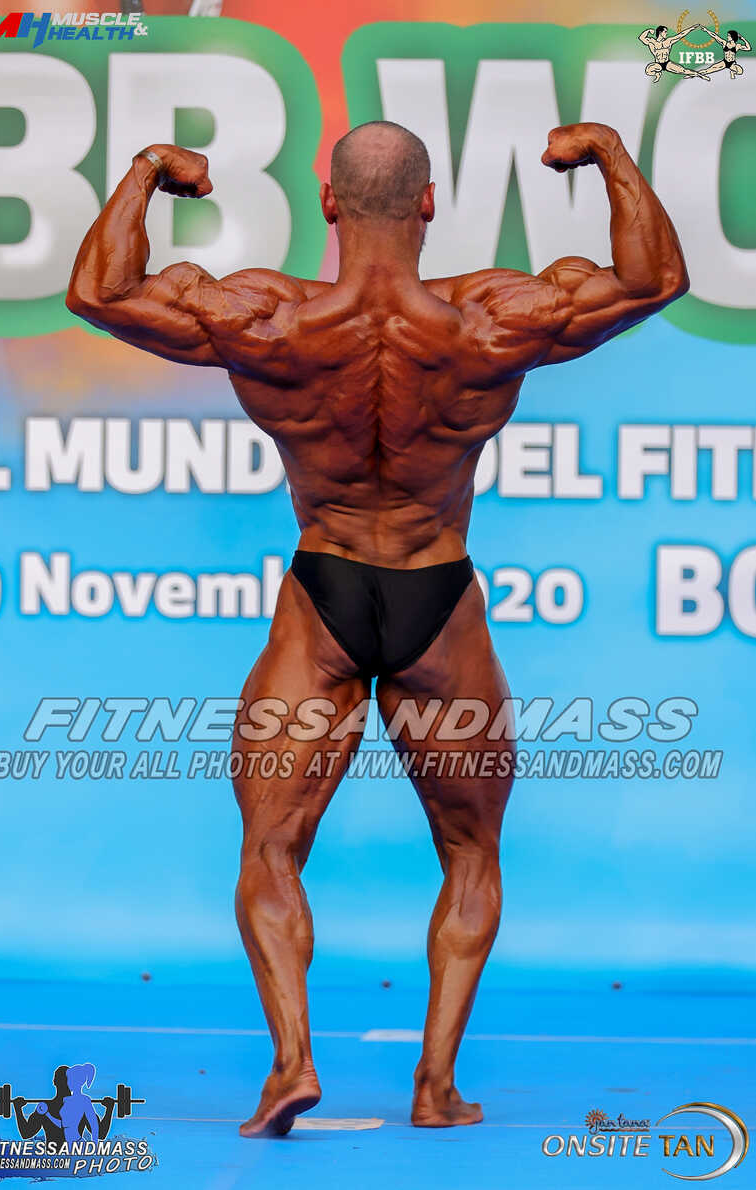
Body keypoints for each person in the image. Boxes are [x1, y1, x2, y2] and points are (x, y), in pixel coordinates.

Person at [67, 118, 689, 1136]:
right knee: (470, 851)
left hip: (323, 594)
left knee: (271, 846)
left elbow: (100, 292)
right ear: (429, 203)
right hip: (436, 594)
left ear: (328, 204)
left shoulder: (267, 317)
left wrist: (147, 172)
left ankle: (291, 1063)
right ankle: (435, 1086)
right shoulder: (490, 318)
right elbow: (652, 277)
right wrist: (611, 155)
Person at [638, 23, 708, 80]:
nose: (666, 33)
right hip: (658, 64)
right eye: (665, 32)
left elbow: (681, 35)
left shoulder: (668, 41)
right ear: (660, 32)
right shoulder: (652, 42)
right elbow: (641, 37)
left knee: (683, 71)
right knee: (648, 71)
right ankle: (657, 74)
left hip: (667, 63)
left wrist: (692, 28)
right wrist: (648, 30)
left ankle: (700, 75)